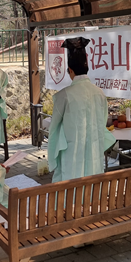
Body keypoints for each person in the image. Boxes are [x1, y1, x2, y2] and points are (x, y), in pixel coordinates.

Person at [48, 37, 116, 183]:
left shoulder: (64, 95)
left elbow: (54, 128)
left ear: (70, 70)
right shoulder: (99, 93)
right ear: (87, 68)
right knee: (92, 183)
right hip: (94, 149)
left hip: (71, 153)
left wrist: (52, 156)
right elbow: (102, 122)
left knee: (71, 183)